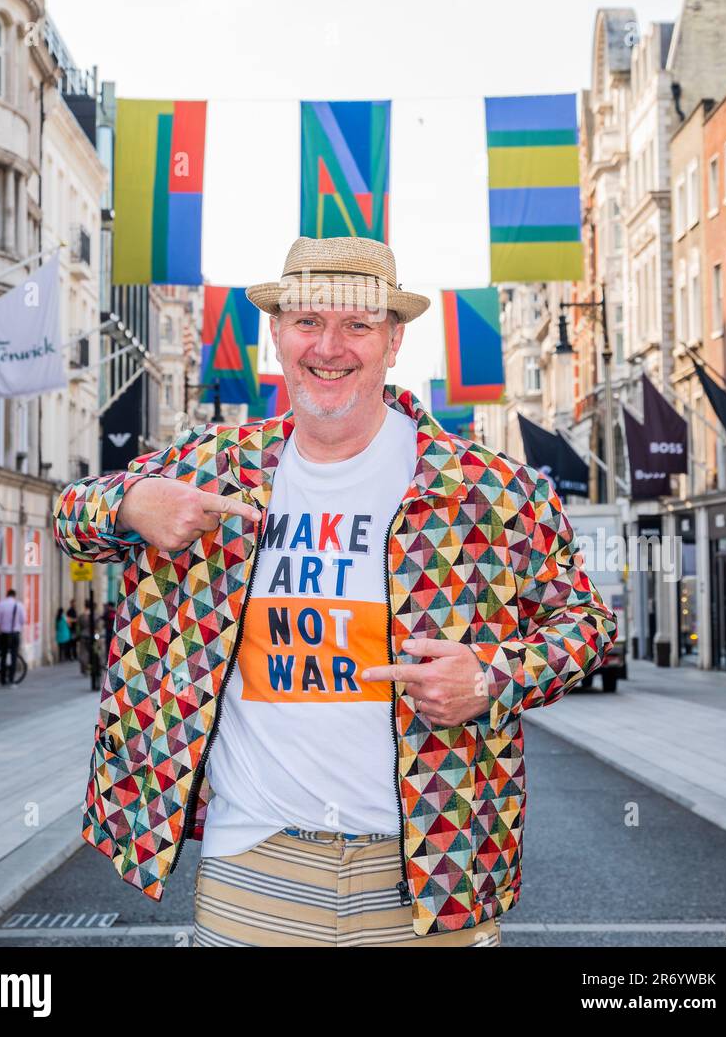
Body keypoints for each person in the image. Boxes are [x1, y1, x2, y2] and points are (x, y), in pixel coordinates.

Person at [53, 237, 617, 948]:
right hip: (252, 864)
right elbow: (72, 517)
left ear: (393, 339)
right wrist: (131, 503)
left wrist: (493, 677)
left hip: (434, 870)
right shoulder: (211, 466)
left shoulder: (486, 487)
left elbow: (588, 622)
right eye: (308, 322)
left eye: (357, 325)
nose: (330, 347)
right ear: (278, 334)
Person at [0, 587, 25, 685]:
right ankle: (11, 679)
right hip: (15, 633)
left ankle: (2, 679)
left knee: (3, 656)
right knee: (14, 656)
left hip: (4, 634)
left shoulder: (0, 605)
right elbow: (23, 620)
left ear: (7, 595)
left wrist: (2, 627)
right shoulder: (19, 605)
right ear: (14, 596)